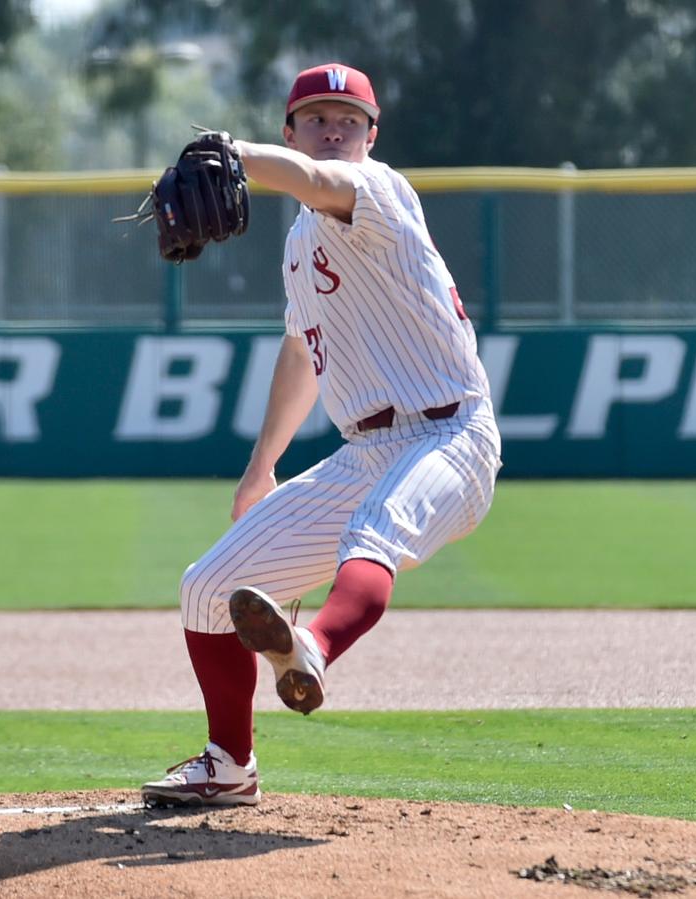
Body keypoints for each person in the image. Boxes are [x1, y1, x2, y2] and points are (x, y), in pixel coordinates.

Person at [141, 63, 502, 807]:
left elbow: (310, 178)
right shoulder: (301, 244)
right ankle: (228, 763)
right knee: (208, 587)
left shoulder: (379, 192)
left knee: (376, 533)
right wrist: (261, 466)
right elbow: (306, 348)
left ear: (373, 136)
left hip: (452, 435)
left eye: (348, 118)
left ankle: (313, 648)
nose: (333, 128)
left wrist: (235, 154)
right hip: (366, 449)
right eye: (315, 117)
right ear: (291, 127)